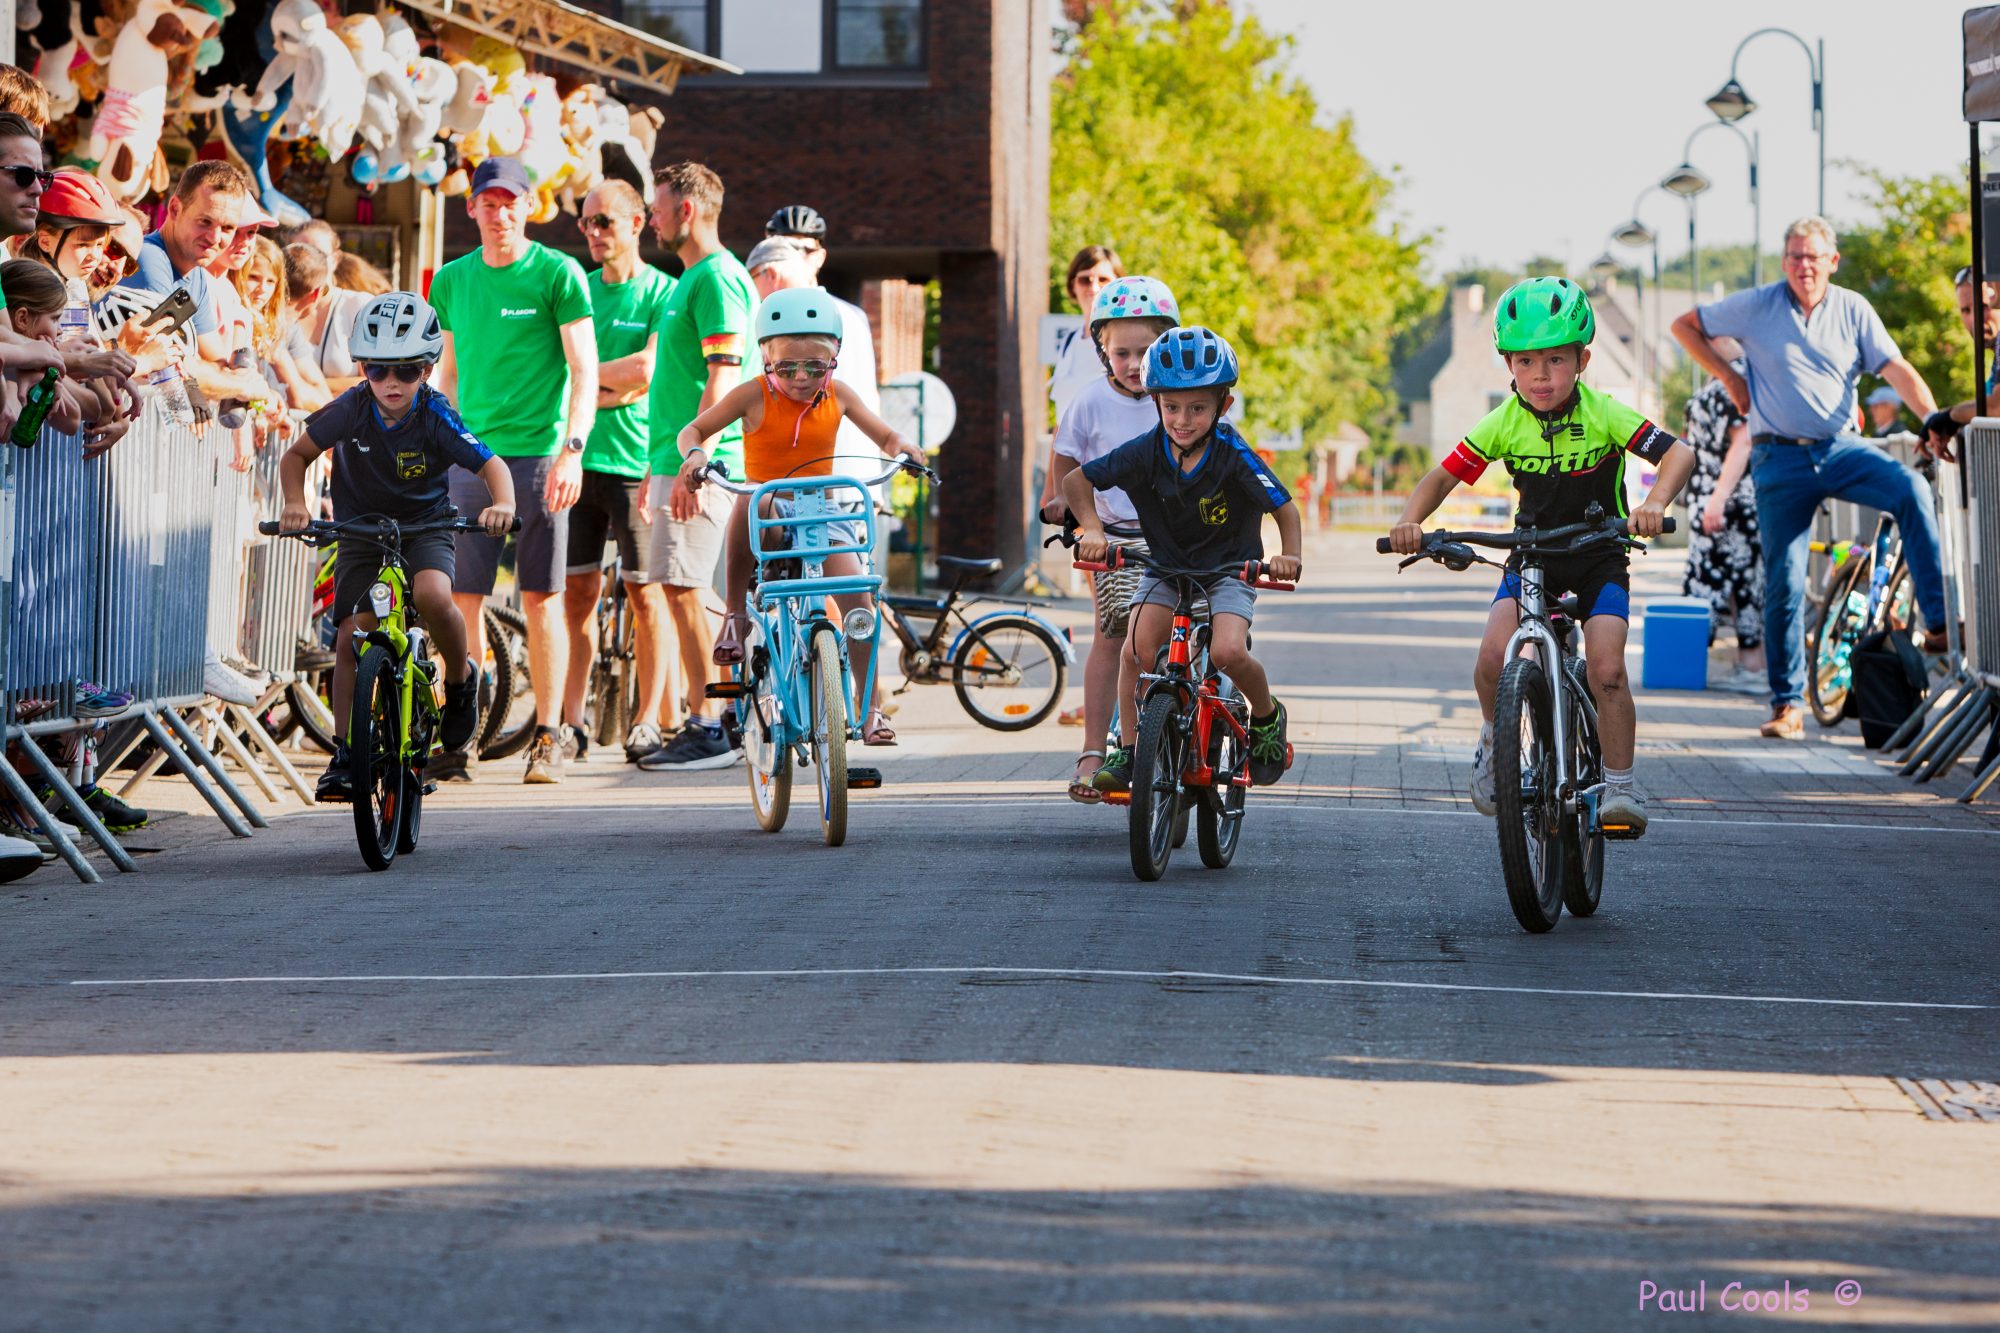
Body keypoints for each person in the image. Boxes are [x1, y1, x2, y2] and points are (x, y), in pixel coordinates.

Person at [1392, 279, 1694, 834]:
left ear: (1582, 361)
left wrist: (1654, 504)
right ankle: (1495, 741)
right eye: (1526, 361)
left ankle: (1620, 787)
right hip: (1532, 557)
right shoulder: (1504, 420)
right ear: (1508, 365)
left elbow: (1680, 454)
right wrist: (1411, 521)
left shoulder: (1604, 413)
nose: (1540, 375)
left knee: (1607, 668)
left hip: (1601, 555)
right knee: (1492, 657)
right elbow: (1442, 477)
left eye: (1555, 360)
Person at [1671, 216, 1951, 741]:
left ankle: (1936, 623)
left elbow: (1895, 368)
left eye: (1813, 256)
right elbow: (1684, 326)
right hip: (1778, 459)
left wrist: (1933, 420)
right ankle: (1788, 705)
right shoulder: (1758, 305)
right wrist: (1730, 377)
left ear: (1832, 261)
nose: (1804, 265)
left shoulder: (1853, 309)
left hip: (1840, 447)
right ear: (1784, 262)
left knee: (1912, 489)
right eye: (1795, 256)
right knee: (1784, 578)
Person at [277, 292, 517, 801]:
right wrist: (295, 503)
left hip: (425, 527)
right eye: (377, 369)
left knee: (433, 596)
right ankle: (345, 754)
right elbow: (295, 456)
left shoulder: (435, 413)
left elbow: (490, 464)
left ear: (427, 370)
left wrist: (503, 504)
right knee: (351, 635)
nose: (391, 382)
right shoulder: (351, 407)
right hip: (362, 531)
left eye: (407, 371)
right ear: (361, 368)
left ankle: (461, 682)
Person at [670, 287, 926, 746]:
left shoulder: (839, 395)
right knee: (752, 497)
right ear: (766, 359)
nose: (802, 378)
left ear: (834, 360)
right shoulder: (751, 394)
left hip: (821, 511)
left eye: (816, 367)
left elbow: (887, 437)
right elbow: (695, 429)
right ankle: (735, 613)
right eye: (787, 368)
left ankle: (869, 710)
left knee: (859, 602)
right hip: (768, 509)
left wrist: (904, 447)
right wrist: (695, 455)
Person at [1064, 326, 1303, 790]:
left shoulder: (1233, 454)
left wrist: (1289, 555)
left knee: (1228, 651)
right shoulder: (1146, 451)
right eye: (1171, 407)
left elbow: (1284, 508)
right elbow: (1076, 481)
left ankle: (1267, 716)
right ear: (1156, 403)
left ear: (1222, 407)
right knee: (1135, 651)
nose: (1183, 420)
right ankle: (1129, 752)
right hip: (1165, 569)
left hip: (1228, 571)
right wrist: (1092, 529)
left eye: (1197, 408)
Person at [430, 155, 597, 784]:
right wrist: (444, 442)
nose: (499, 215)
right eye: (489, 203)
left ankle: (548, 736)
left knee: (541, 597)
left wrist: (572, 450)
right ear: (471, 207)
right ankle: (462, 736)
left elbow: (584, 369)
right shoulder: (451, 280)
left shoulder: (558, 272)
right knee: (461, 599)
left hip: (539, 455)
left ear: (530, 206)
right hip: (474, 460)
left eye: (510, 203)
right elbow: (447, 373)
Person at [1037, 274, 1181, 799]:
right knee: (1113, 634)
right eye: (1122, 353)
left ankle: (1186, 723)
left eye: (1146, 352)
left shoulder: (1179, 400)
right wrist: (1065, 502)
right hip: (1114, 535)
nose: (1135, 363)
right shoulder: (1090, 400)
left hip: (1176, 535)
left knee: (1184, 631)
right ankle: (1094, 750)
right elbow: (1066, 455)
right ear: (1102, 351)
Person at [635, 161, 755, 772]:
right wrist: (659, 466)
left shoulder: (717, 278)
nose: (650, 220)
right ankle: (722, 712)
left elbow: (724, 377)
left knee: (685, 588)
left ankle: (712, 722)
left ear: (686, 210)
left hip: (701, 463)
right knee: (685, 589)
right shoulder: (694, 278)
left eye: (657, 209)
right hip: (678, 459)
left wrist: (694, 461)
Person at [563, 180, 677, 764]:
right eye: (586, 222)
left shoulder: (664, 292)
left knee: (646, 595)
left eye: (604, 221)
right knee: (575, 597)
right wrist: (604, 385)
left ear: (637, 222)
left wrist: (587, 380)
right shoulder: (576, 288)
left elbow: (648, 370)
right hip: (577, 461)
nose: (594, 232)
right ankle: (570, 720)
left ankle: (647, 721)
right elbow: (560, 369)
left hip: (636, 464)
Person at [744, 233, 886, 554]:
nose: (801, 378)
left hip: (822, 487)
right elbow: (871, 399)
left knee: (823, 570)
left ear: (770, 274)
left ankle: (740, 588)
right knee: (843, 573)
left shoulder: (772, 329)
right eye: (787, 367)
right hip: (853, 480)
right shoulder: (852, 316)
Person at [115, 161, 273, 411]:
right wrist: (243, 387)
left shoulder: (196, 273)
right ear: (175, 209)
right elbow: (170, 366)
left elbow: (218, 363)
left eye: (228, 228)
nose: (215, 238)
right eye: (205, 222)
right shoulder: (149, 260)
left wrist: (244, 384)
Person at [1680, 337, 1764, 693]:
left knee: (1738, 581)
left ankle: (1753, 667)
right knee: (1733, 581)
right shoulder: (1732, 376)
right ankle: (1749, 665)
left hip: (1728, 502)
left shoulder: (1736, 378)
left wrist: (1717, 498)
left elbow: (1744, 440)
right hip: (1723, 500)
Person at [1050, 244, 1124, 426]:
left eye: (1103, 279)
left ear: (1118, 285)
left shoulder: (1125, 341)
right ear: (1072, 286)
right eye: (1085, 280)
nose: (1094, 287)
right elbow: (1061, 417)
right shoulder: (1068, 342)